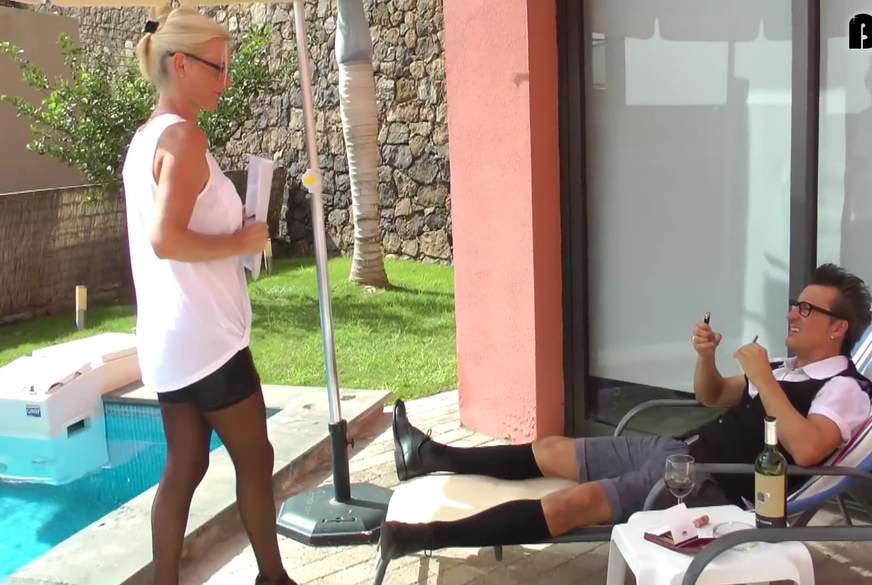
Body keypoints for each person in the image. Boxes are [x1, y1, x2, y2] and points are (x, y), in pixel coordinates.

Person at [380, 264, 872, 559]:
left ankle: (422, 537)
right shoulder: (787, 370)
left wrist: (763, 379)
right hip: (677, 453)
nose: (791, 313)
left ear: (838, 329)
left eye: (807, 310)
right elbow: (712, 396)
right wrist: (706, 357)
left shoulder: (844, 389)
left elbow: (809, 449)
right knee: (551, 450)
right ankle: (431, 456)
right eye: (795, 304)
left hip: (709, 485)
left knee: (573, 505)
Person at [123, 7, 294, 585]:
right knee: (256, 456)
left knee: (186, 464)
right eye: (216, 67)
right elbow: (166, 239)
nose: (226, 79)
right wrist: (241, 241)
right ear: (180, 64)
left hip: (169, 343)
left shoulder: (144, 141)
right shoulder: (184, 137)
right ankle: (274, 579)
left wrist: (233, 236)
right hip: (209, 339)